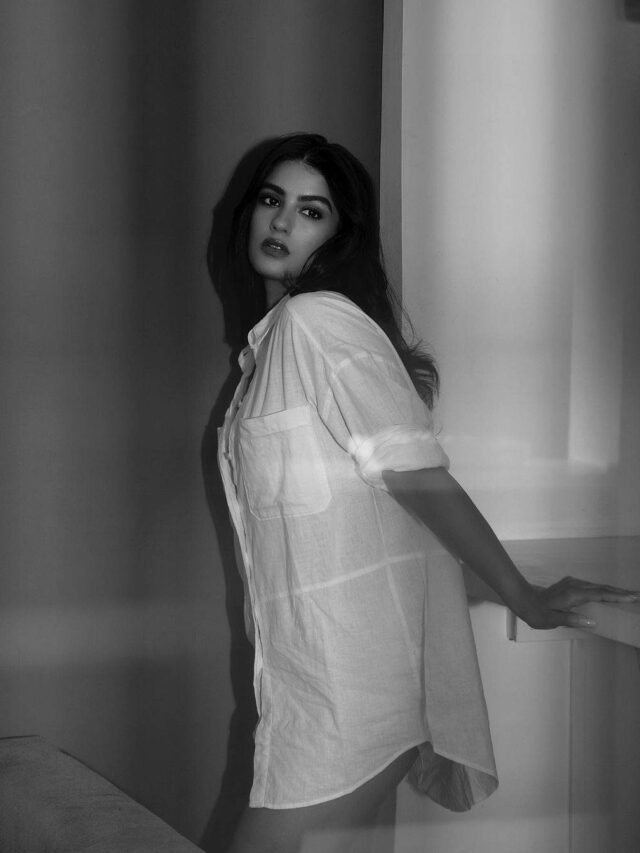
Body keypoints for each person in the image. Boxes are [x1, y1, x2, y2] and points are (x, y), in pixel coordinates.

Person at [213, 133, 639, 853]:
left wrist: (524, 596)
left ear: (340, 235)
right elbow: (383, 521)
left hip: (345, 706)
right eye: (272, 199)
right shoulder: (270, 350)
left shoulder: (315, 324)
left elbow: (415, 476)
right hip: (311, 689)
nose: (282, 221)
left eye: (311, 210)